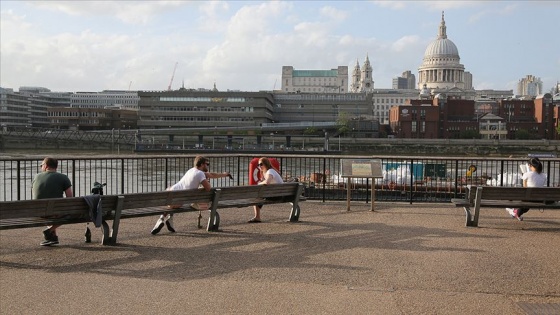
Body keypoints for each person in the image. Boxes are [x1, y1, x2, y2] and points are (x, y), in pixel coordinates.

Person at [151, 156, 232, 234]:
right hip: (177, 201)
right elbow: (208, 188)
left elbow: (211, 175)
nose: (208, 166)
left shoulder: (191, 170)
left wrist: (224, 174)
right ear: (202, 164)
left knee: (171, 196)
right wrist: (206, 182)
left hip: (169, 196)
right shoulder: (200, 174)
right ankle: (165, 219)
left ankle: (163, 219)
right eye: (207, 164)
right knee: (177, 201)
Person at [33, 157, 73, 246]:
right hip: (55, 213)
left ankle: (53, 237)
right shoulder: (63, 177)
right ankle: (50, 230)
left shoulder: (36, 177)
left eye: (41, 165)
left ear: (46, 166)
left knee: (51, 210)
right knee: (73, 213)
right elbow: (70, 198)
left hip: (39, 213)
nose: (41, 167)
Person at [248, 157, 283, 223]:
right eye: (258, 165)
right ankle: (257, 217)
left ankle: (257, 217)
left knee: (256, 196)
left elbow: (267, 182)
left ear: (266, 164)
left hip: (277, 196)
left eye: (261, 164)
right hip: (281, 194)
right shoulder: (271, 171)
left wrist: (259, 184)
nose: (259, 166)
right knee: (259, 196)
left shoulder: (270, 171)